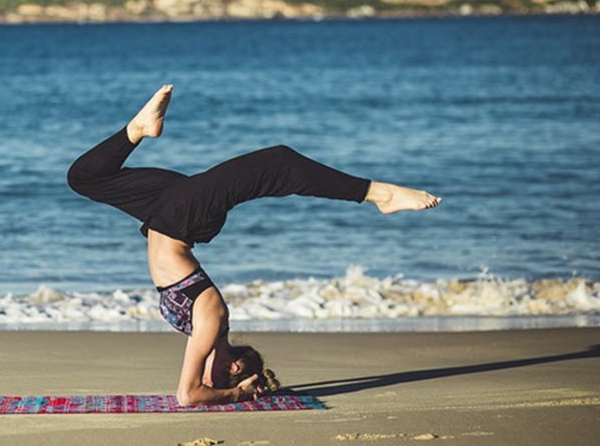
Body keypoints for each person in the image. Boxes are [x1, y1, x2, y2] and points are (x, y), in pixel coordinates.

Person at [67, 85, 440, 405]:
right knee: (279, 161)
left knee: (84, 178)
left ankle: (138, 129)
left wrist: (239, 392)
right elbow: (190, 394)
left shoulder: (203, 334)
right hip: (182, 218)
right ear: (234, 366)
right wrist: (237, 394)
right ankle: (380, 195)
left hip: (165, 212)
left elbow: (189, 392)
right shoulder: (212, 321)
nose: (204, 377)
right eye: (215, 378)